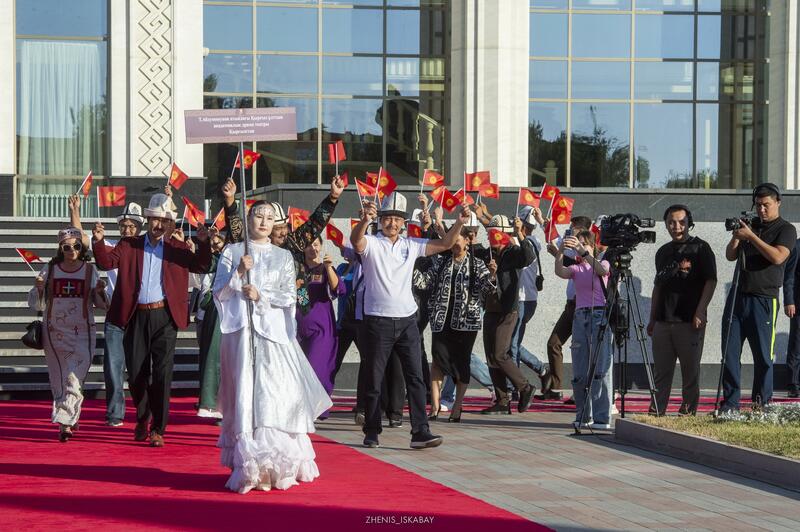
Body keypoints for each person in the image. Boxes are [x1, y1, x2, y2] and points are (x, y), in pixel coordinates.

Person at [213, 201, 332, 493]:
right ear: (248, 219)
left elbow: (290, 295)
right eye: (258, 216)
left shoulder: (283, 256)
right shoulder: (233, 252)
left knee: (272, 394)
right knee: (246, 394)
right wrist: (238, 273)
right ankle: (250, 466)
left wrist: (261, 295)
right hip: (243, 336)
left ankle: (276, 465)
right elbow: (219, 293)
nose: (264, 222)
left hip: (273, 335)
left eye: (269, 218)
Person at [350, 192, 470, 449]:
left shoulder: (411, 244)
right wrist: (364, 221)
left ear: (404, 222)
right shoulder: (372, 243)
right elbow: (356, 242)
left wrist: (459, 223)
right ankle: (372, 431)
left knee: (416, 378)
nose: (392, 223)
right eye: (387, 218)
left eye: (397, 219)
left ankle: (420, 431)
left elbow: (445, 244)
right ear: (380, 220)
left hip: (407, 321)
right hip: (377, 321)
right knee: (374, 379)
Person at [92, 193, 212, 447]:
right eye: (155, 219)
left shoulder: (178, 248)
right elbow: (105, 262)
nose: (159, 225)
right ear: (147, 220)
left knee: (162, 374)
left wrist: (203, 244)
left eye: (164, 221)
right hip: (135, 315)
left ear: (170, 223)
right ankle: (143, 417)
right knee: (136, 374)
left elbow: (201, 267)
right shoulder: (129, 244)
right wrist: (99, 241)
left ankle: (158, 428)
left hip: (165, 317)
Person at [68, 194, 145, 427]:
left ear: (140, 227)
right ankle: (115, 414)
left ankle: (144, 413)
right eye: (123, 225)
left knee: (141, 368)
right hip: (116, 314)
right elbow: (80, 239)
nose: (127, 229)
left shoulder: (148, 248)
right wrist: (75, 211)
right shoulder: (110, 246)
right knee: (113, 367)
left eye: (132, 225)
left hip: (141, 314)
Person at [722, 183, 797, 410]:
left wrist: (752, 237)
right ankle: (730, 404)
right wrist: (737, 236)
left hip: (764, 298)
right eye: (758, 205)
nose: (761, 210)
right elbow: (730, 256)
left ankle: (761, 405)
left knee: (763, 355)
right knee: (729, 353)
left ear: (778, 203)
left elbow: (778, 257)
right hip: (738, 296)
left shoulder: (786, 229)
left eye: (766, 205)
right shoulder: (751, 226)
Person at [29, 227, 108, 441]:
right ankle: (67, 421)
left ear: (81, 248)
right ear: (60, 248)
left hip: (83, 332)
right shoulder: (50, 269)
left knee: (74, 377)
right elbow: (36, 304)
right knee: (58, 378)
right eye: (67, 247)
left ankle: (66, 419)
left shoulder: (90, 270)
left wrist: (100, 291)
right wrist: (38, 288)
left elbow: (102, 305)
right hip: (54, 331)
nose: (72, 250)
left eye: (76, 246)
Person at [414, 226, 496, 422]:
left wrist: (492, 275)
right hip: (441, 319)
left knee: (461, 363)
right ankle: (435, 406)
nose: (454, 242)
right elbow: (424, 283)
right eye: (451, 238)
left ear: (467, 240)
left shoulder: (477, 264)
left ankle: (457, 407)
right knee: (438, 361)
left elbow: (486, 290)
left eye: (457, 238)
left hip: (466, 321)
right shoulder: (441, 262)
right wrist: (411, 267)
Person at [647, 205, 717, 416]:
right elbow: (658, 286)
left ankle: (687, 412)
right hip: (663, 321)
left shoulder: (701, 248)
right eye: (671, 222)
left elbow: (711, 281)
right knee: (661, 370)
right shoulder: (663, 251)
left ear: (689, 223)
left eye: (681, 222)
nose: (676, 226)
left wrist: (701, 311)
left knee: (690, 371)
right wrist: (652, 318)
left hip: (689, 320)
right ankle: (656, 411)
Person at [479, 214, 537, 415]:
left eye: (495, 234)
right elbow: (469, 248)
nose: (491, 238)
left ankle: (525, 387)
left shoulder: (513, 252)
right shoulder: (488, 253)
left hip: (508, 310)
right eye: (489, 234)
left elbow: (528, 257)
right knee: (491, 357)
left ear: (504, 234)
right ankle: (502, 401)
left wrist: (520, 234)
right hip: (490, 308)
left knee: (500, 353)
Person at [554, 230, 613, 430]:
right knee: (580, 369)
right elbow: (560, 272)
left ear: (592, 246)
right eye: (577, 243)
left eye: (584, 243)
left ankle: (602, 418)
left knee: (600, 368)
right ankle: (583, 415)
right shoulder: (576, 269)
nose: (579, 246)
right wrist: (561, 251)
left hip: (599, 315)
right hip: (580, 316)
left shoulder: (603, 262)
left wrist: (583, 251)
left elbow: (602, 271)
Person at [536, 214, 593, 401]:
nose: (570, 231)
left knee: (581, 348)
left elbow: (583, 265)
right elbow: (557, 239)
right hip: (571, 306)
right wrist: (542, 221)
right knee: (554, 343)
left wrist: (558, 254)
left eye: (572, 227)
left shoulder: (589, 250)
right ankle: (556, 387)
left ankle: (582, 390)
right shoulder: (572, 245)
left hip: (584, 307)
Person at [296, 236, 345, 409]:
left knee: (315, 367)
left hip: (321, 329)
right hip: (298, 328)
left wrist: (329, 267)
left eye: (316, 244)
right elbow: (300, 298)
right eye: (308, 245)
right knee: (299, 370)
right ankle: (303, 408)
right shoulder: (297, 269)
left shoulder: (324, 268)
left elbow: (338, 289)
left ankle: (316, 408)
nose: (312, 248)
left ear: (321, 246)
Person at [510, 206, 549, 384]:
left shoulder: (523, 242)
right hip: (527, 300)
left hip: (522, 300)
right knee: (512, 342)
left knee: (512, 345)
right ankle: (541, 369)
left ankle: (516, 385)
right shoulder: (533, 241)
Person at [196, 230, 227, 419]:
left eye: (218, 243)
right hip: (210, 314)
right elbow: (201, 269)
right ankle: (214, 402)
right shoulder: (216, 261)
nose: (215, 247)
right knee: (211, 358)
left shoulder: (288, 259)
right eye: (212, 244)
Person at [783, 239, 800, 398]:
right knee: (796, 344)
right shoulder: (796, 246)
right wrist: (789, 301)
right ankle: (793, 384)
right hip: (798, 306)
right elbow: (789, 276)